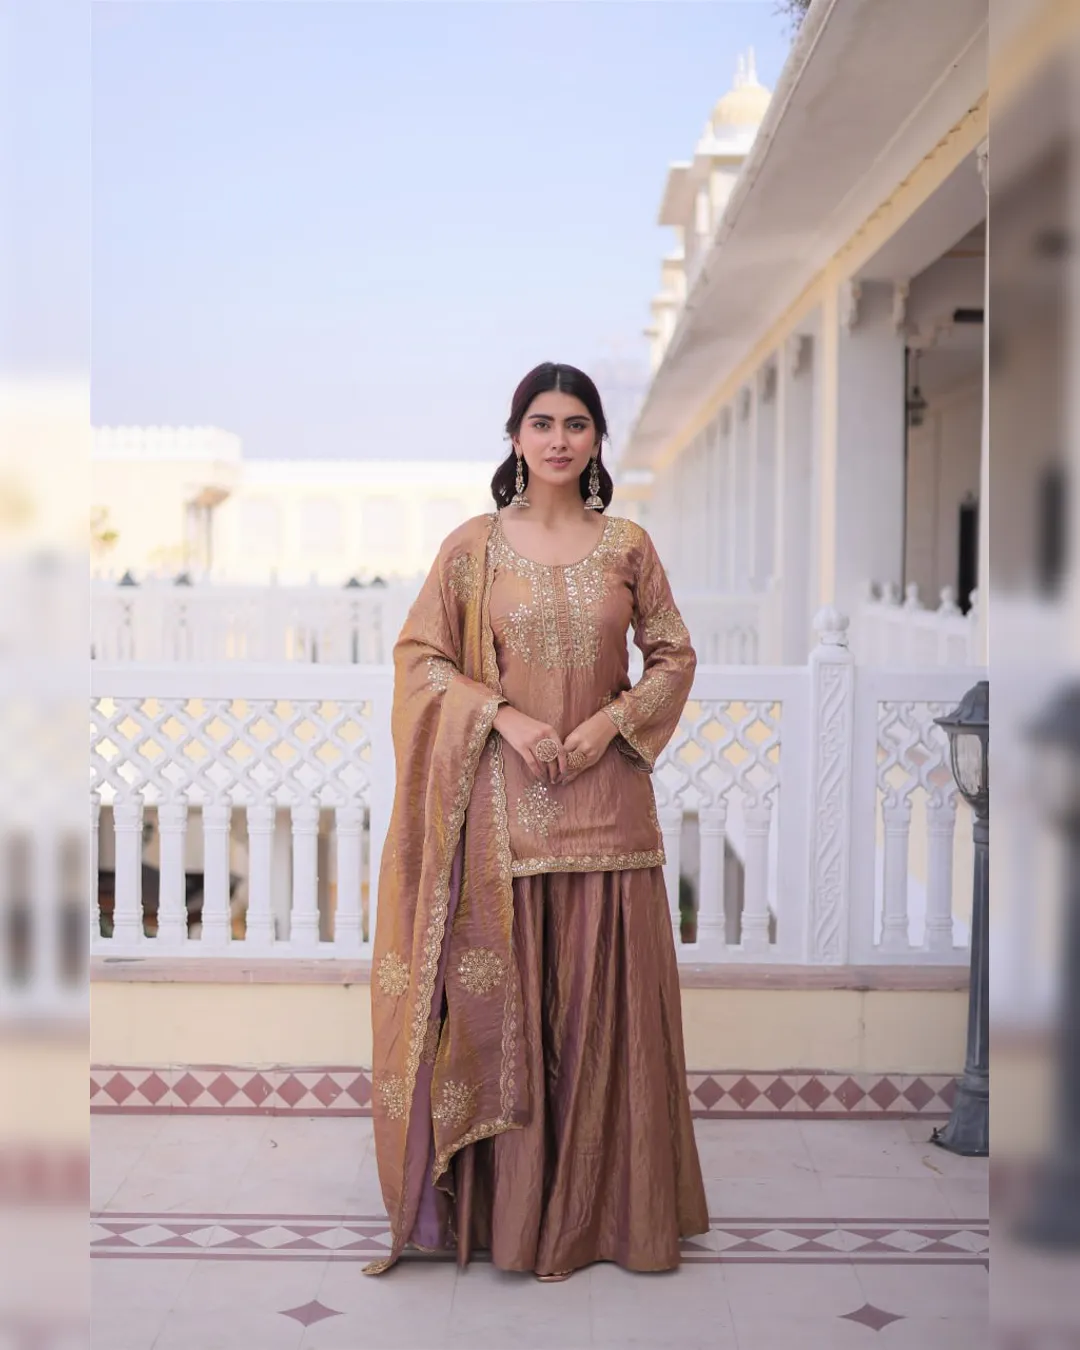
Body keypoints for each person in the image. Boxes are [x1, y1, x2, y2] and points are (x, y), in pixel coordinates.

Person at [366, 361, 708, 1280]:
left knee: (601, 1024)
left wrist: (609, 725)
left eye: (578, 423)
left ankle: (609, 1216)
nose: (560, 439)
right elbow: (422, 661)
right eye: (543, 423)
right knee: (513, 1025)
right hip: (502, 825)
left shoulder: (629, 545)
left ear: (598, 440)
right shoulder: (472, 548)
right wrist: (504, 718)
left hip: (610, 817)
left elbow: (674, 655)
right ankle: (513, 1220)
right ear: (516, 436)